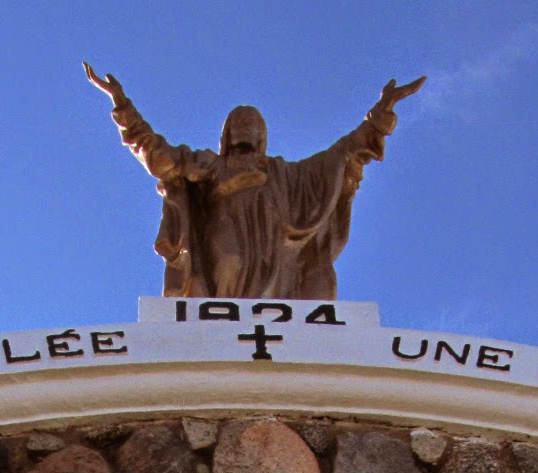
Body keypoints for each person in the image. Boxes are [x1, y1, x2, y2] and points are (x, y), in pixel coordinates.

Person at [84, 65, 424, 298]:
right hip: (226, 227)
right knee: (229, 261)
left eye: (252, 125)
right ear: (227, 133)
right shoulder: (210, 164)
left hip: (268, 241)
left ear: (262, 135)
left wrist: (379, 116)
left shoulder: (283, 173)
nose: (245, 129)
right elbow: (156, 152)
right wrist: (122, 106)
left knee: (275, 283)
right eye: (239, 124)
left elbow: (340, 154)